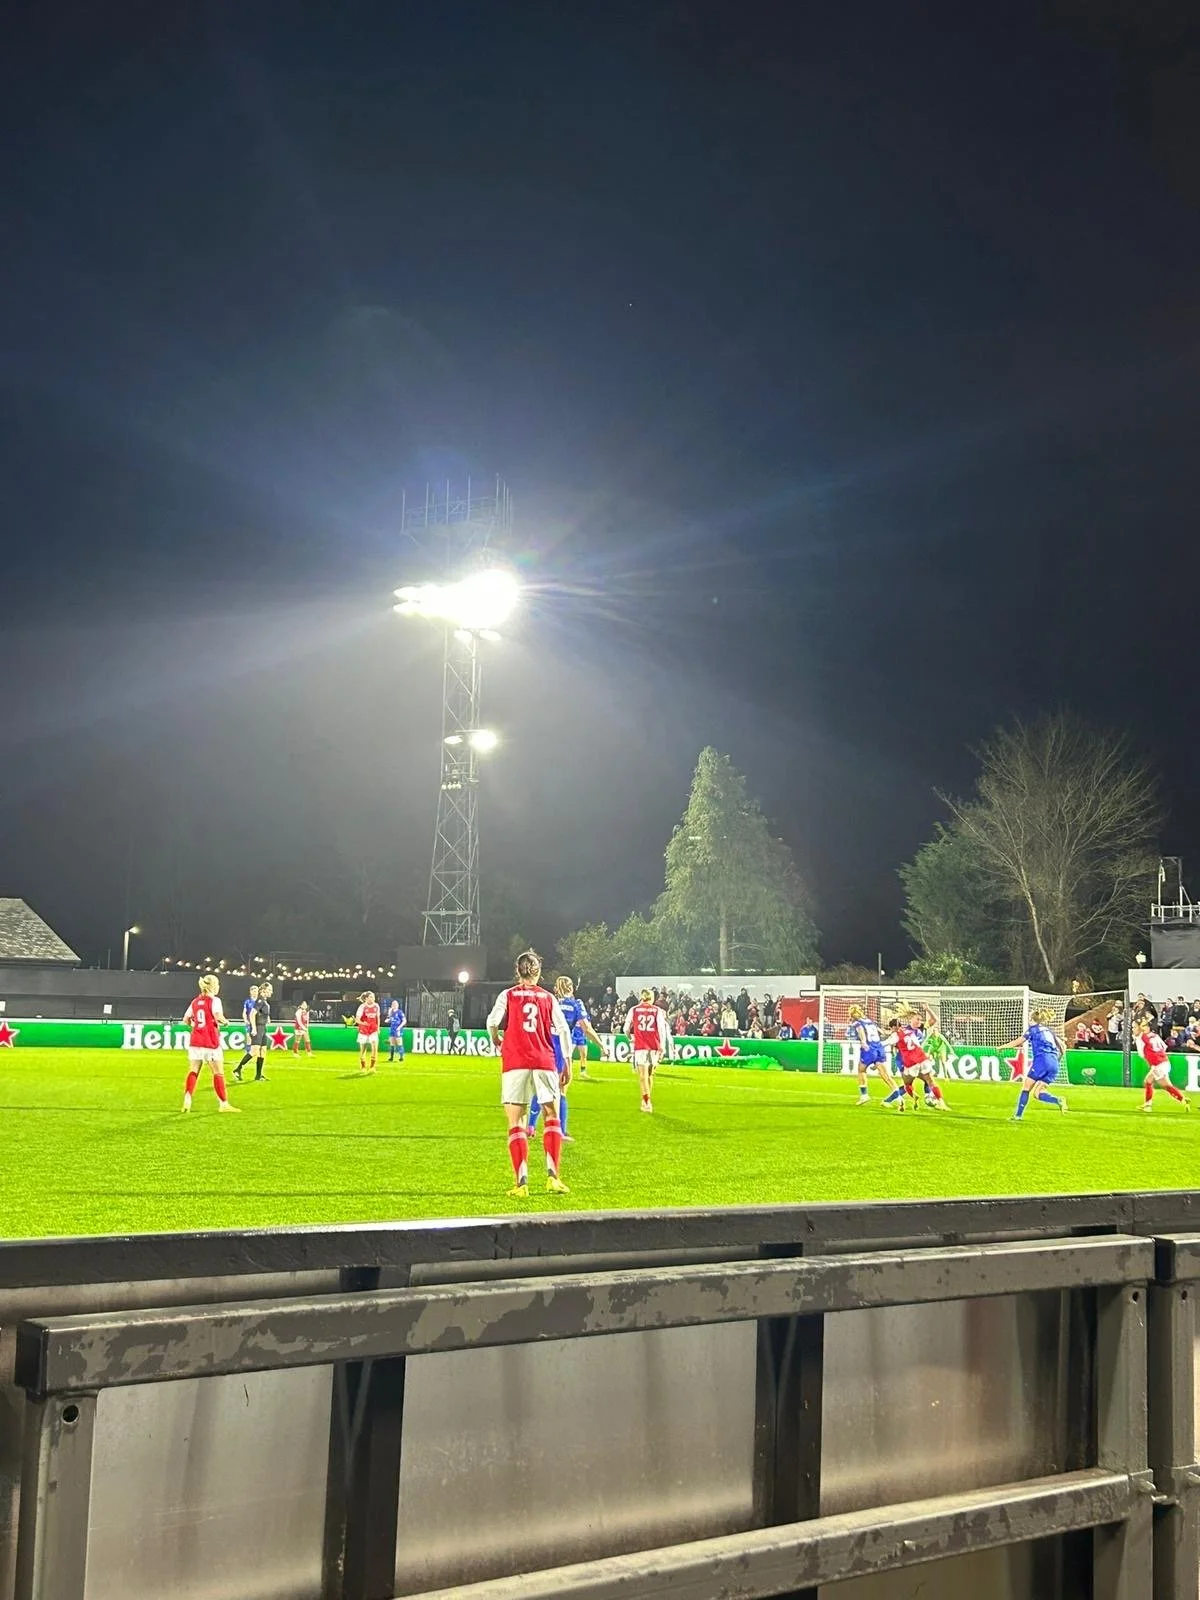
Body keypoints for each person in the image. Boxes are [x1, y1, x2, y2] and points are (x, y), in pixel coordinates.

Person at [487, 949, 573, 1197]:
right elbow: (563, 1030)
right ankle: (553, 1177)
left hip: (515, 1060)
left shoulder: (508, 995)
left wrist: (496, 1038)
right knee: (551, 1115)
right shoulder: (548, 998)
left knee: (517, 1122)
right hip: (544, 1060)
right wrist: (566, 1060)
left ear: (518, 971)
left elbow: (492, 1021)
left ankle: (521, 1183)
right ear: (538, 972)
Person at [181, 975, 238, 1113]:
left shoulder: (195, 1001)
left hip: (195, 1040)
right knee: (218, 1072)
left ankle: (187, 1099)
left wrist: (195, 1026)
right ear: (213, 986)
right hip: (210, 1040)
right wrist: (226, 1022)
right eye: (217, 984)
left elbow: (185, 1019)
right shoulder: (215, 1000)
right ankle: (223, 1104)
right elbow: (218, 1016)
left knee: (194, 1070)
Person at [881, 1011, 947, 1110]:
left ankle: (929, 1097)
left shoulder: (921, 1029)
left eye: (920, 1020)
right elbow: (895, 1043)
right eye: (917, 1019)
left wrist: (928, 1009)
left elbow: (934, 1020)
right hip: (904, 1061)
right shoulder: (906, 1030)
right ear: (911, 1019)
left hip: (916, 1059)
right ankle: (930, 1098)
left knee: (921, 1081)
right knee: (914, 1083)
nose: (920, 1022)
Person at [1012, 1006, 1068, 1120]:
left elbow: (1019, 1041)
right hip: (1053, 1064)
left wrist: (1003, 1047)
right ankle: (1058, 1100)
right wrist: (1057, 1060)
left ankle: (1018, 1116)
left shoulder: (1033, 1029)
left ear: (1031, 1019)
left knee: (1026, 1088)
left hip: (1042, 1062)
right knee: (1038, 1093)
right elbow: (1063, 1046)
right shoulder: (1049, 1031)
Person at [624, 988, 674, 1114]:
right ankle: (647, 1099)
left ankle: (646, 1101)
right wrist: (662, 1046)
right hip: (654, 1046)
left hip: (640, 1045)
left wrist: (631, 1038)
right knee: (650, 1074)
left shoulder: (633, 1009)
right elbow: (661, 1029)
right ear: (651, 998)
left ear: (641, 997)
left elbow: (625, 1028)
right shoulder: (657, 1010)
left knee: (642, 1076)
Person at [845, 1004, 898, 1104]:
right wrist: (891, 1033)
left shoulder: (858, 1023)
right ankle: (896, 1091)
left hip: (869, 1049)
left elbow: (861, 1031)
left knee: (861, 1070)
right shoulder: (870, 1021)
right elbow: (882, 1032)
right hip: (879, 1048)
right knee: (884, 1074)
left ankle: (864, 1096)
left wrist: (863, 1041)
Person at [1138, 1022, 1189, 1112]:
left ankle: (1148, 1106)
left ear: (1149, 1028)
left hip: (1158, 1064)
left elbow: (1144, 1052)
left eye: (1144, 1026)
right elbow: (1164, 1047)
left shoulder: (1144, 1037)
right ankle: (1182, 1099)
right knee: (1161, 1084)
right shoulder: (1155, 1036)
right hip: (1164, 1061)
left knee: (1151, 1082)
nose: (1142, 1028)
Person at [239, 981, 272, 1083]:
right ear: (263, 991)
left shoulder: (264, 1001)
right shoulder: (260, 1001)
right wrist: (253, 1028)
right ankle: (238, 1068)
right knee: (254, 1051)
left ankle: (258, 1075)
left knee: (263, 1051)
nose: (271, 992)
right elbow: (252, 1014)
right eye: (269, 990)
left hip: (263, 1028)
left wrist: (267, 1018)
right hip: (258, 1028)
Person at [233, 984, 260, 1079]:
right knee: (249, 1039)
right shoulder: (248, 1002)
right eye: (253, 990)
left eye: (256, 990)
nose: (254, 992)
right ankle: (248, 1055)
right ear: (250, 992)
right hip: (250, 1023)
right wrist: (245, 1019)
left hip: (258, 1024)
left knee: (258, 1045)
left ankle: (251, 1058)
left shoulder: (260, 1001)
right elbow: (244, 1012)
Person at [355, 990, 381, 1074]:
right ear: (366, 998)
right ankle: (363, 1067)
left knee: (374, 1048)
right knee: (363, 1050)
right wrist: (363, 1023)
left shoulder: (376, 1006)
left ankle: (372, 1067)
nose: (373, 998)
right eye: (371, 997)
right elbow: (357, 1020)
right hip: (364, 1030)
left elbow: (378, 1018)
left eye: (373, 997)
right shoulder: (362, 1007)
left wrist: (378, 1028)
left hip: (373, 1030)